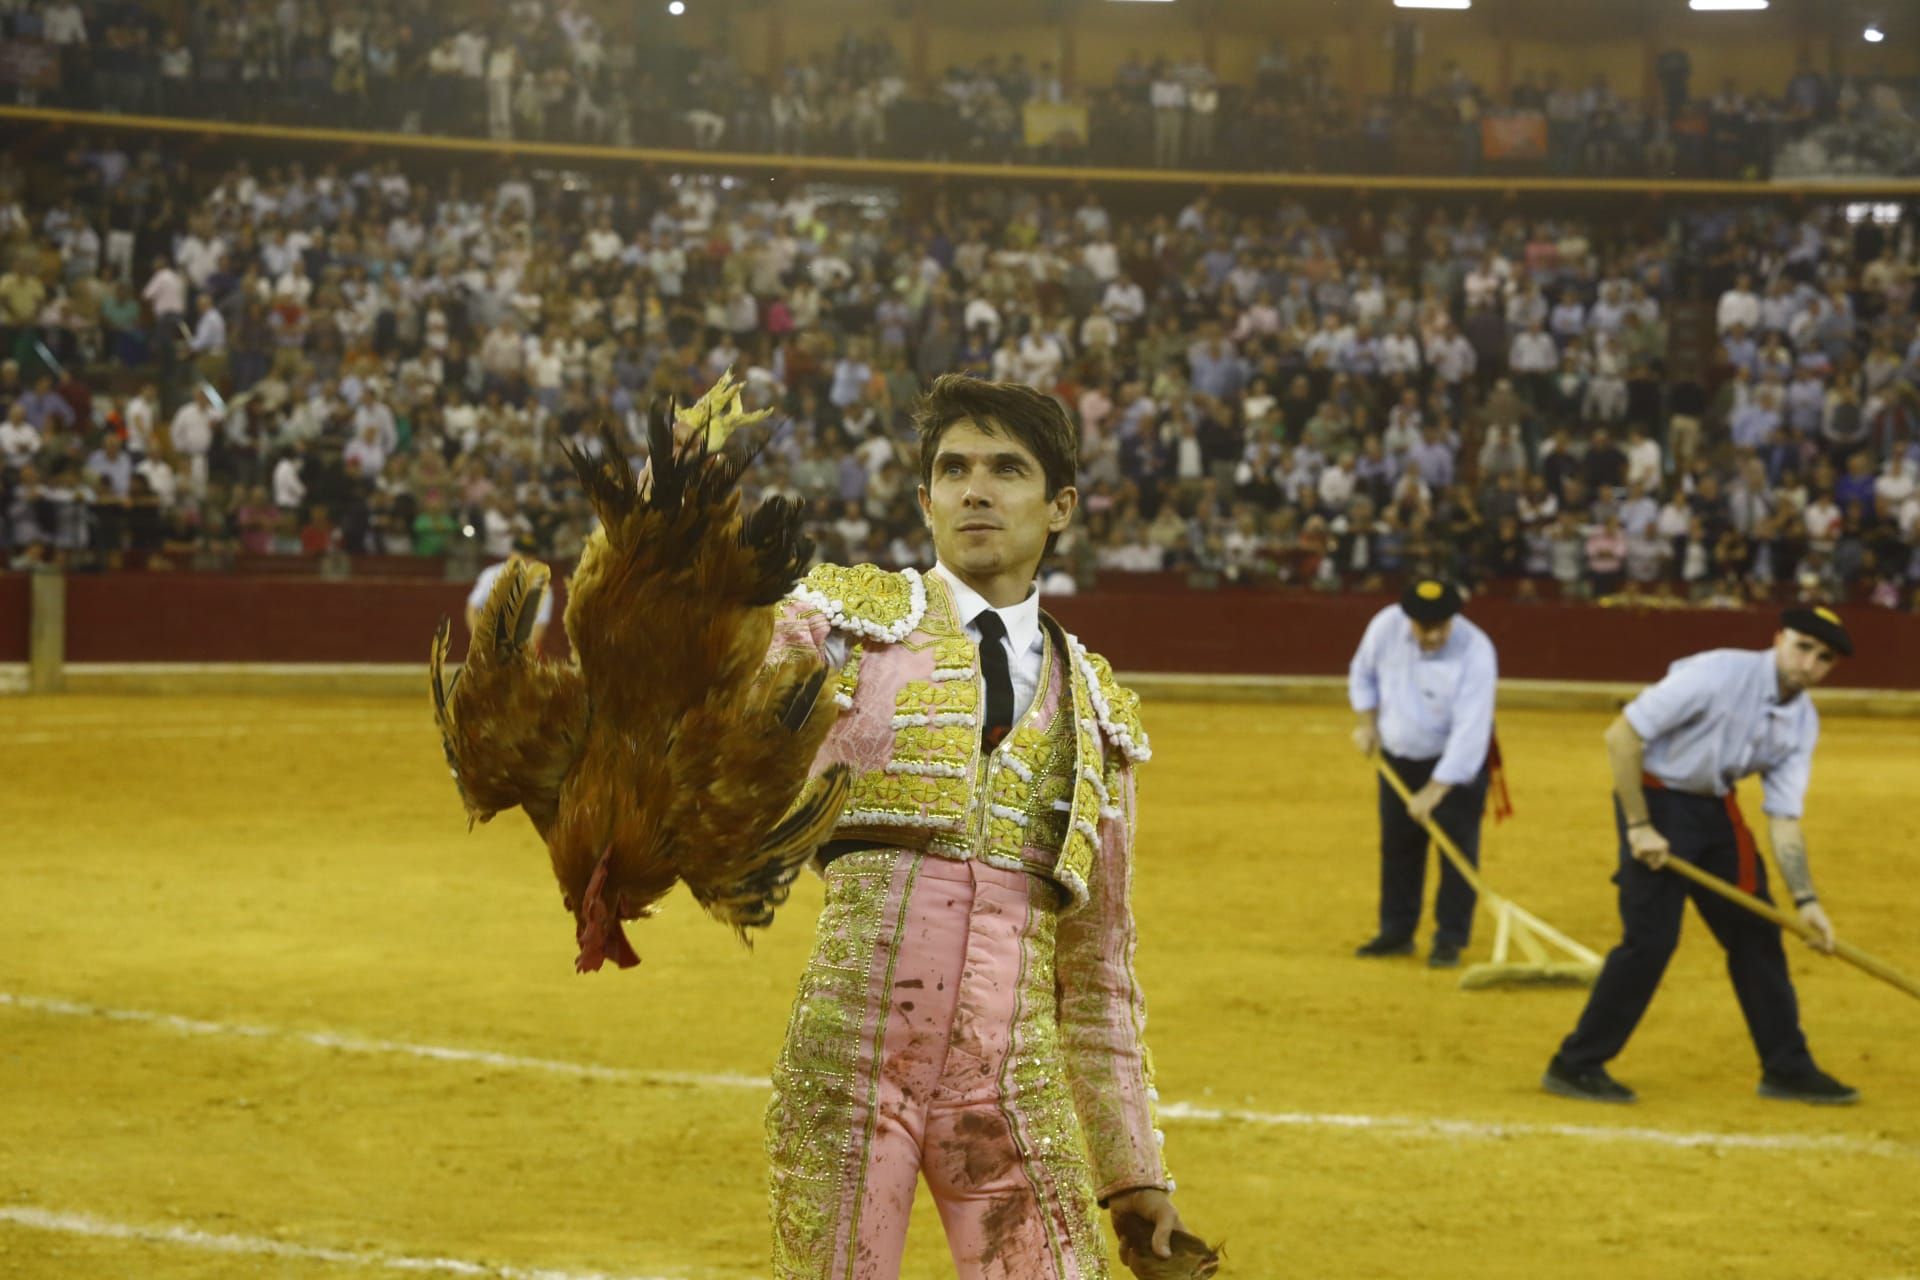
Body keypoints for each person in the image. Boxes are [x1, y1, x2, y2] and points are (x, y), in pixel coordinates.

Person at [763, 375, 1183, 1278]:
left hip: (1009, 1078)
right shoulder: (838, 628)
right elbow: (727, 717)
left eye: (1006, 469)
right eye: (952, 470)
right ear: (924, 500)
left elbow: (1098, 971)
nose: (975, 490)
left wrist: (1134, 1170)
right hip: (848, 1061)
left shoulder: (1097, 708)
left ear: (1060, 504)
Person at [1544, 608, 1858, 1105]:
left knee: (1757, 932)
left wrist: (1806, 900)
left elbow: (1783, 816)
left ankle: (1786, 1068)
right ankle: (1576, 1063)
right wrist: (1639, 826)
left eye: (1824, 659)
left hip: (1716, 810)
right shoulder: (1716, 673)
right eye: (1802, 647)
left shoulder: (1802, 722)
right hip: (1655, 799)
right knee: (1651, 940)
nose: (1808, 664)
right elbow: (1621, 736)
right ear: (1778, 639)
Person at [1347, 578, 1500, 968]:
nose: (1432, 636)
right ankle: (1396, 932)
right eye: (1423, 627)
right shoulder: (1385, 627)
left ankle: (1450, 938)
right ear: (1407, 619)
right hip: (1398, 758)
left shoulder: (1477, 651)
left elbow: (1471, 732)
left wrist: (1435, 790)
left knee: (1457, 852)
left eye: (1440, 627)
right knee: (1398, 847)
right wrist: (1368, 723)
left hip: (1454, 767)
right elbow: (1362, 673)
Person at [466, 537, 552, 651]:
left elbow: (540, 624)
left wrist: (520, 652)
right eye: (522, 555)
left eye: (530, 556)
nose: (526, 560)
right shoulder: (491, 575)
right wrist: (480, 640)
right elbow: (472, 609)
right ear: (512, 554)